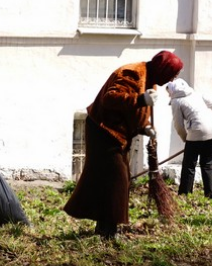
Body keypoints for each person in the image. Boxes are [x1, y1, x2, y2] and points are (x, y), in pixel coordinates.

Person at [64, 50, 183, 239]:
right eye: (173, 72)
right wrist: (140, 99)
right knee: (118, 179)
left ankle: (104, 227)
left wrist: (144, 127)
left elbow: (137, 112)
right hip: (102, 129)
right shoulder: (133, 73)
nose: (174, 78)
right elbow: (110, 99)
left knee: (111, 179)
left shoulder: (149, 77)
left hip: (114, 132)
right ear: (163, 68)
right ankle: (108, 231)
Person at [165, 78, 212, 199]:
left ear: (172, 91)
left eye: (168, 92)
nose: (168, 95)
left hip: (197, 130)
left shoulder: (177, 101)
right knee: (207, 163)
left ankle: (184, 194)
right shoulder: (196, 94)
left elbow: (178, 125)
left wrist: (186, 139)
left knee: (189, 165)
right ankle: (211, 195)